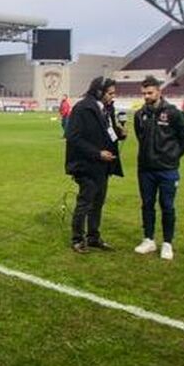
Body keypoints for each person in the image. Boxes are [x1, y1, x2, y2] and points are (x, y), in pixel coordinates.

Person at [65, 77, 125, 253]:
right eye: (110, 93)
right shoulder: (82, 108)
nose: (112, 97)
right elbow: (73, 137)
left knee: (98, 203)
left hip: (103, 166)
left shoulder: (106, 108)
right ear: (99, 92)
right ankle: (77, 239)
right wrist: (97, 153)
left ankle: (93, 237)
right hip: (86, 165)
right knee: (85, 203)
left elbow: (108, 131)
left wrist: (120, 134)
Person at [133, 76, 184, 260]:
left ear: (159, 91)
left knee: (167, 206)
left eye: (150, 93)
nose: (146, 97)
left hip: (167, 169)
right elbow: (139, 136)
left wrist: (172, 157)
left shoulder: (173, 113)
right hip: (145, 169)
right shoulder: (139, 114)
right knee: (147, 205)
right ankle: (149, 240)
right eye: (144, 93)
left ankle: (167, 243)